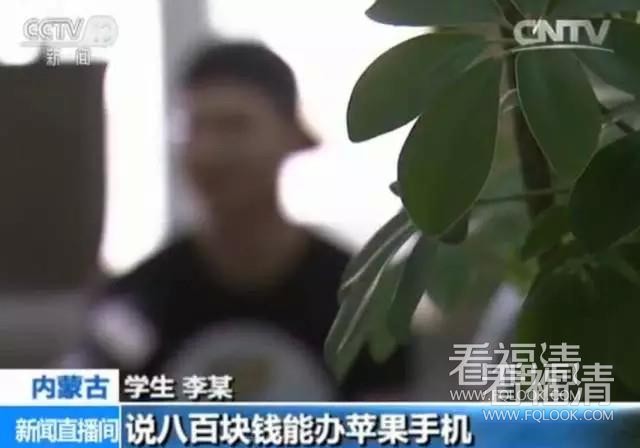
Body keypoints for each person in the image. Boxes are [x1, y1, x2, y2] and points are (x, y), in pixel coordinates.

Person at [62, 41, 412, 400]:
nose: (210, 151)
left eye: (234, 126)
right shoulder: (136, 301)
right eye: (196, 127)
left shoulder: (360, 299)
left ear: (294, 135)